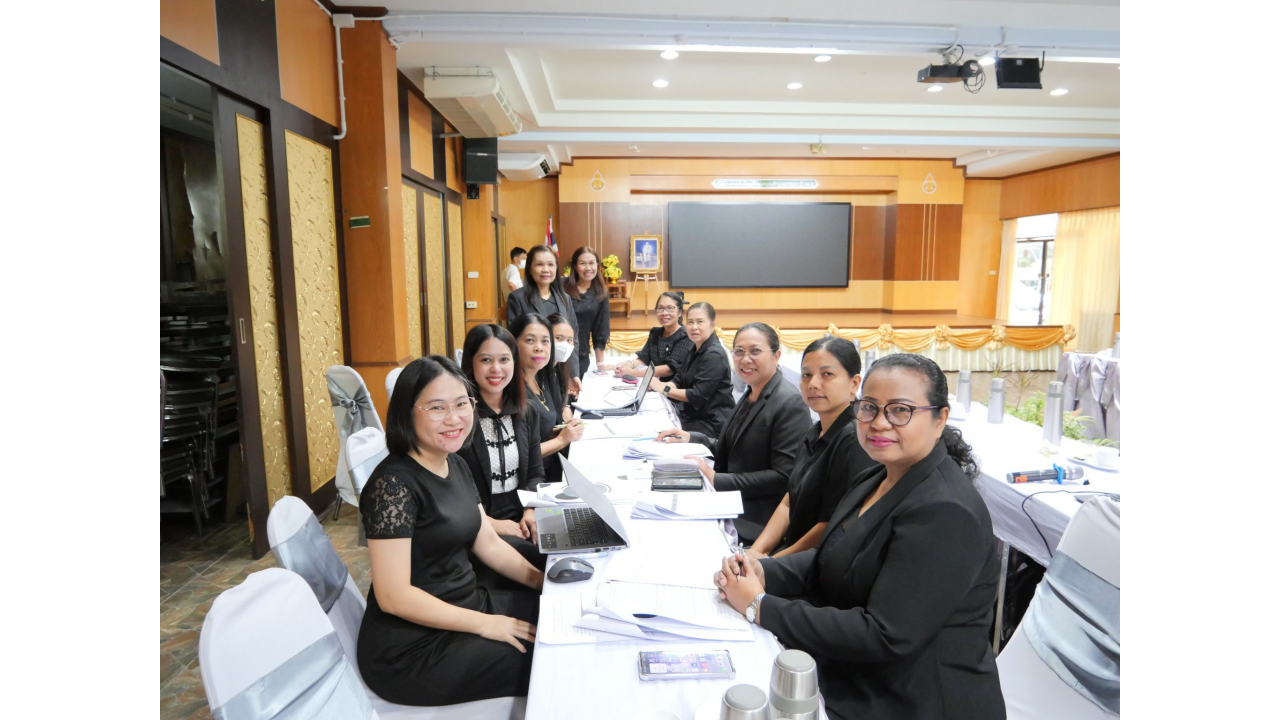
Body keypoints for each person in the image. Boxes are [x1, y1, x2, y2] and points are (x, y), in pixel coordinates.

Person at [711, 353, 1005, 720]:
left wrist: (760, 606)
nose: (879, 422)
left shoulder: (946, 511)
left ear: (939, 419)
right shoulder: (878, 476)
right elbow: (833, 556)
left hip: (907, 699)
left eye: (900, 410)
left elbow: (885, 635)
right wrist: (762, 571)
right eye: (869, 408)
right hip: (853, 671)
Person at [357, 356, 542, 707]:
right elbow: (393, 596)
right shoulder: (393, 485)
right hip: (414, 648)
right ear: (407, 413)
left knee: (557, 617)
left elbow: (488, 543)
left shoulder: (453, 462)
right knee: (549, 658)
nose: (454, 419)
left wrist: (541, 582)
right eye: (437, 408)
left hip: (465, 604)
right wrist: (485, 624)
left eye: (461, 404)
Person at [655, 322, 810, 544]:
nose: (745, 359)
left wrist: (717, 479)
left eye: (755, 351)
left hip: (755, 517)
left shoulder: (789, 402)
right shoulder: (752, 391)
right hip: (730, 499)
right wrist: (691, 437)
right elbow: (735, 446)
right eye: (739, 351)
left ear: (776, 356)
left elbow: (783, 477)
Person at [746, 336, 878, 560]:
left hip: (815, 562)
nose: (813, 384)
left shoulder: (853, 438)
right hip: (789, 553)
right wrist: (756, 551)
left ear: (854, 383)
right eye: (806, 375)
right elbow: (789, 501)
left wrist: (772, 564)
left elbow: (830, 525)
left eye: (827, 374)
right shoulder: (815, 430)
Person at [455, 324, 546, 572]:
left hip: (521, 516)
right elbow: (451, 490)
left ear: (514, 362)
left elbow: (536, 472)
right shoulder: (460, 418)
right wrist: (490, 523)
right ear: (471, 363)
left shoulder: (527, 412)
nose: (496, 369)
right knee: (544, 562)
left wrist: (531, 509)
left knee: (565, 548)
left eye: (504, 359)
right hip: (477, 526)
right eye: (486, 360)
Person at [509, 312, 584, 483]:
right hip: (534, 480)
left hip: (555, 467)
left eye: (545, 341)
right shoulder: (512, 389)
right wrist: (562, 439)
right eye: (530, 340)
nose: (539, 348)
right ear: (513, 343)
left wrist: (559, 429)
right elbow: (519, 454)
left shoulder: (541, 378)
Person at [648, 301, 734, 437]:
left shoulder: (714, 354)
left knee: (659, 433)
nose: (694, 327)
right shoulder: (694, 347)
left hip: (711, 424)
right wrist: (660, 385)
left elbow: (697, 395)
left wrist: (664, 389)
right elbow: (678, 379)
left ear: (712, 325)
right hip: (693, 416)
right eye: (690, 322)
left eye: (700, 322)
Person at [505, 245, 581, 387]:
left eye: (551, 265)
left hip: (560, 372)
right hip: (530, 372)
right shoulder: (517, 298)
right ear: (530, 268)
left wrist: (573, 373)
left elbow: (573, 338)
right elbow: (513, 339)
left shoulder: (565, 299)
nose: (546, 269)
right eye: (540, 264)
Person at [601, 291, 693, 383]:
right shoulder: (655, 333)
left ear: (680, 312)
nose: (664, 313)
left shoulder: (685, 336)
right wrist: (628, 365)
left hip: (672, 387)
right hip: (651, 384)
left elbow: (669, 369)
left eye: (670, 308)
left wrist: (632, 373)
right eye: (660, 308)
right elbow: (644, 359)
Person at [563, 246, 610, 377]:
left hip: (580, 355)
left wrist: (600, 364)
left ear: (597, 265)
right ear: (575, 266)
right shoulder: (562, 287)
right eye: (583, 263)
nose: (588, 268)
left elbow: (600, 329)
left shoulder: (601, 293)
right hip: (557, 353)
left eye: (591, 263)